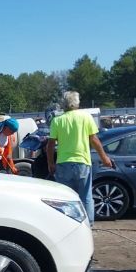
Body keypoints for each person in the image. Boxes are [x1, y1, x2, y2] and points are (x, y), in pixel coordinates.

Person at [46, 91, 113, 226]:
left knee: (64, 198)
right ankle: (88, 226)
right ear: (77, 103)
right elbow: (94, 140)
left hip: (63, 163)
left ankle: (67, 224)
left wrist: (50, 164)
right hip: (82, 162)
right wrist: (104, 158)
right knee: (86, 197)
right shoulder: (86, 117)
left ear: (63, 104)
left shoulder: (57, 120)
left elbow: (50, 145)